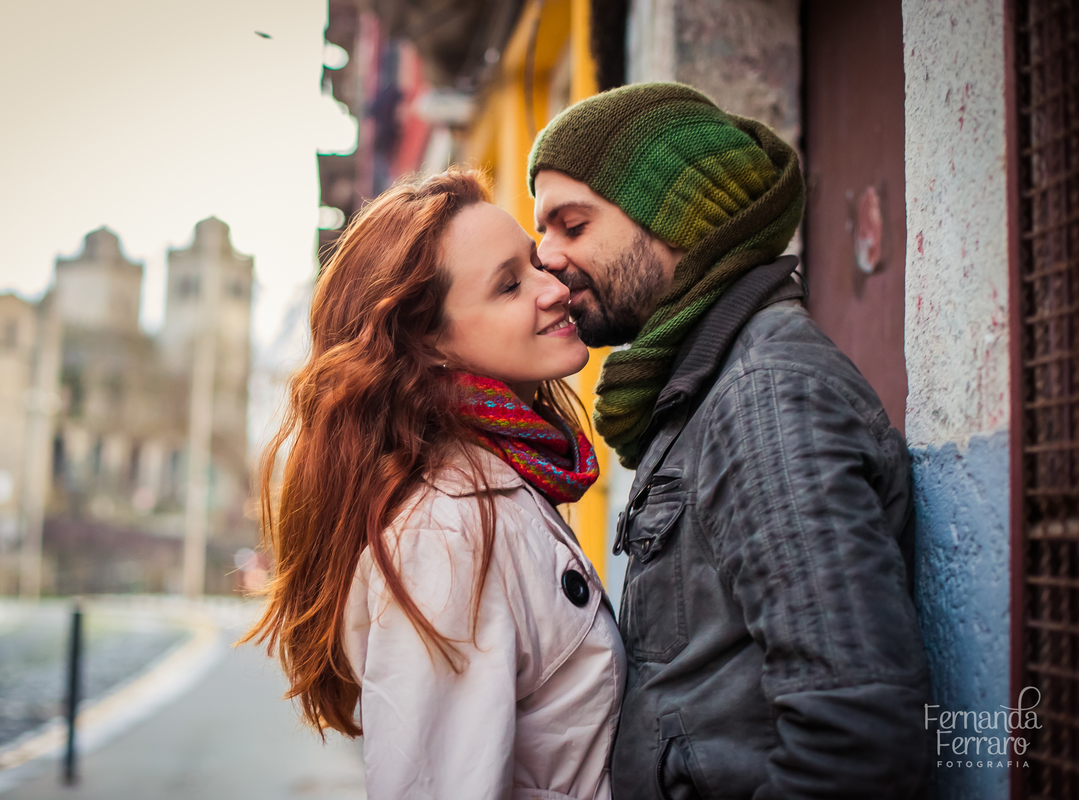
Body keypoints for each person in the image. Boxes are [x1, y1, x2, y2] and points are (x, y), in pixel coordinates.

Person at [529, 83, 930, 798]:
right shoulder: (704, 390)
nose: (546, 257)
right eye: (543, 230)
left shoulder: (763, 396)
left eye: (573, 225)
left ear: (680, 216)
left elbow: (856, 733)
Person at [243, 169, 625, 800]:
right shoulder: (445, 531)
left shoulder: (503, 481)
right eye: (509, 285)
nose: (555, 287)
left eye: (535, 264)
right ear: (430, 344)